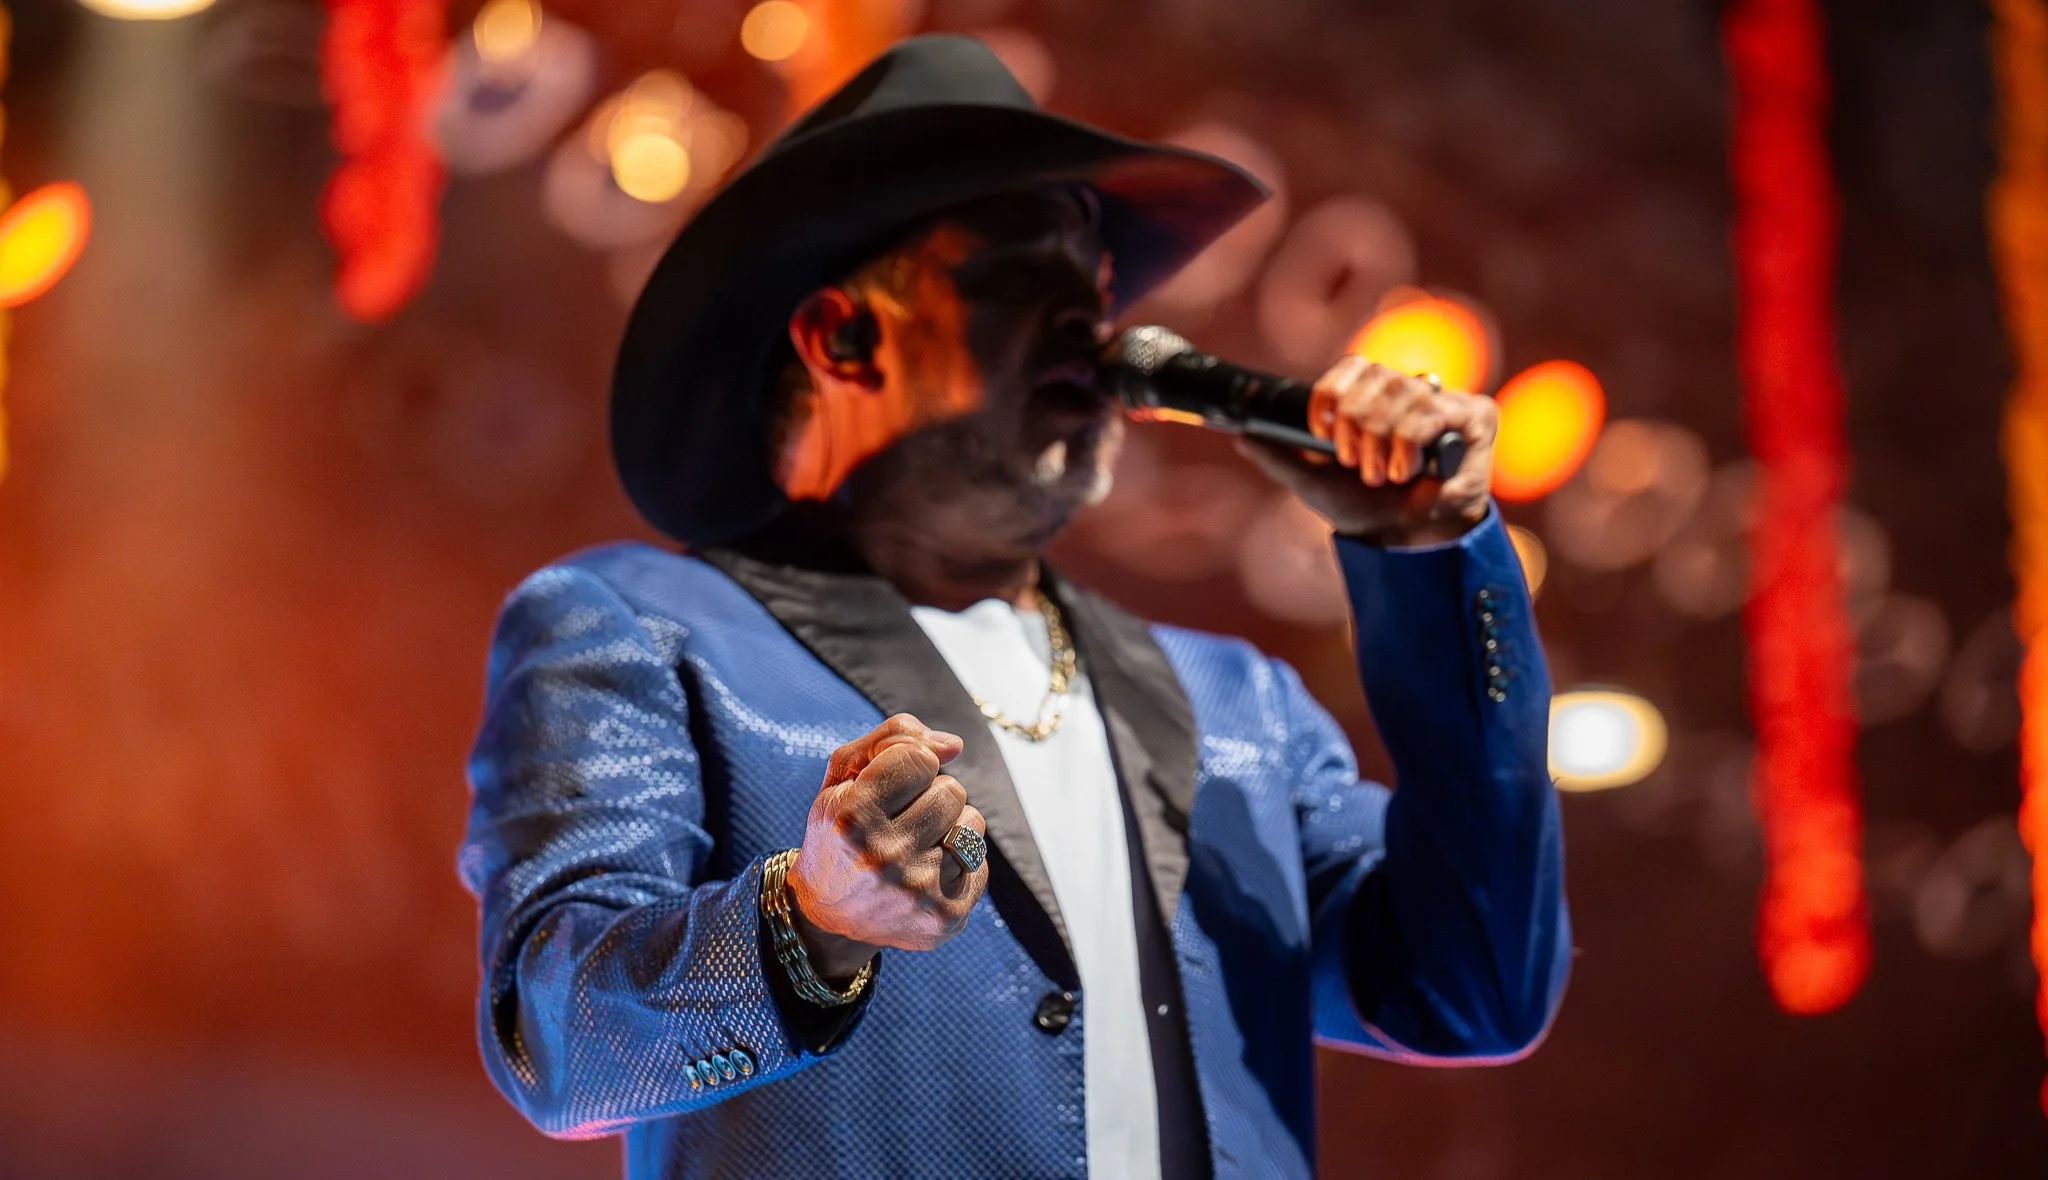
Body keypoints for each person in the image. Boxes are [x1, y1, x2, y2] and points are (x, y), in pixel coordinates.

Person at [461, 35, 1569, 1180]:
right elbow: (559, 1045)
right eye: (1014, 276)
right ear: (841, 336)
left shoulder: (1236, 700)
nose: (1092, 326)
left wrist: (1426, 555)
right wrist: (806, 921)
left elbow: (1473, 989)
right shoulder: (640, 628)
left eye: (1092, 287)